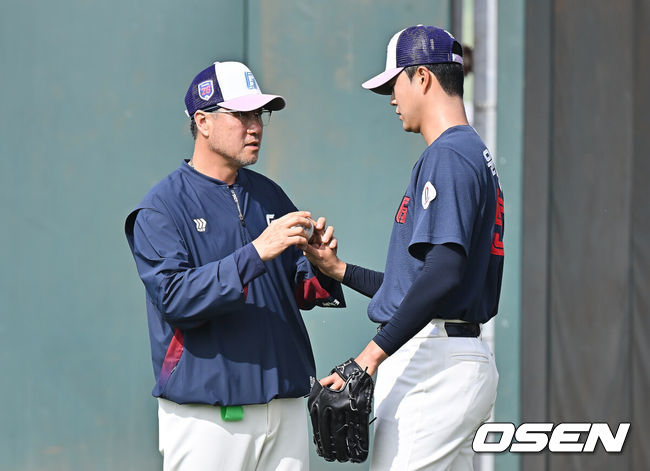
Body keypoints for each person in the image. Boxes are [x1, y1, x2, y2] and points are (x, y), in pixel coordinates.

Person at [124, 60, 345, 471]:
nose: (255, 126)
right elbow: (175, 299)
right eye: (241, 115)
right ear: (203, 122)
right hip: (210, 415)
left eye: (259, 114)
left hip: (284, 404)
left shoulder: (269, 195)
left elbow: (299, 288)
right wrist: (255, 253)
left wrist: (321, 267)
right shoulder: (161, 207)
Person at [304, 25, 504, 470]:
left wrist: (368, 358)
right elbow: (418, 286)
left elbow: (443, 272)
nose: (392, 99)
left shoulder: (448, 155)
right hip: (453, 353)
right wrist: (339, 270)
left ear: (422, 77)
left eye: (394, 84)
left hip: (434, 362)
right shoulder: (472, 152)